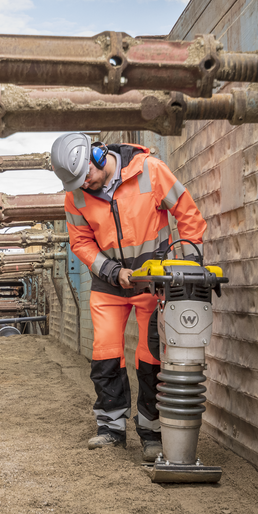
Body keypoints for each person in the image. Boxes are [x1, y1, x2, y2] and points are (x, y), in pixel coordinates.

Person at [50, 133, 207, 461]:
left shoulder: (150, 170)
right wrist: (110, 271)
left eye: (87, 176)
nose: (85, 185)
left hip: (151, 283)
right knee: (105, 354)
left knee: (151, 357)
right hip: (109, 285)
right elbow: (81, 243)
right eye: (78, 182)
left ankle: (151, 432)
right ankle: (110, 428)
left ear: (96, 154)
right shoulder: (76, 197)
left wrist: (190, 263)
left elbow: (188, 214)